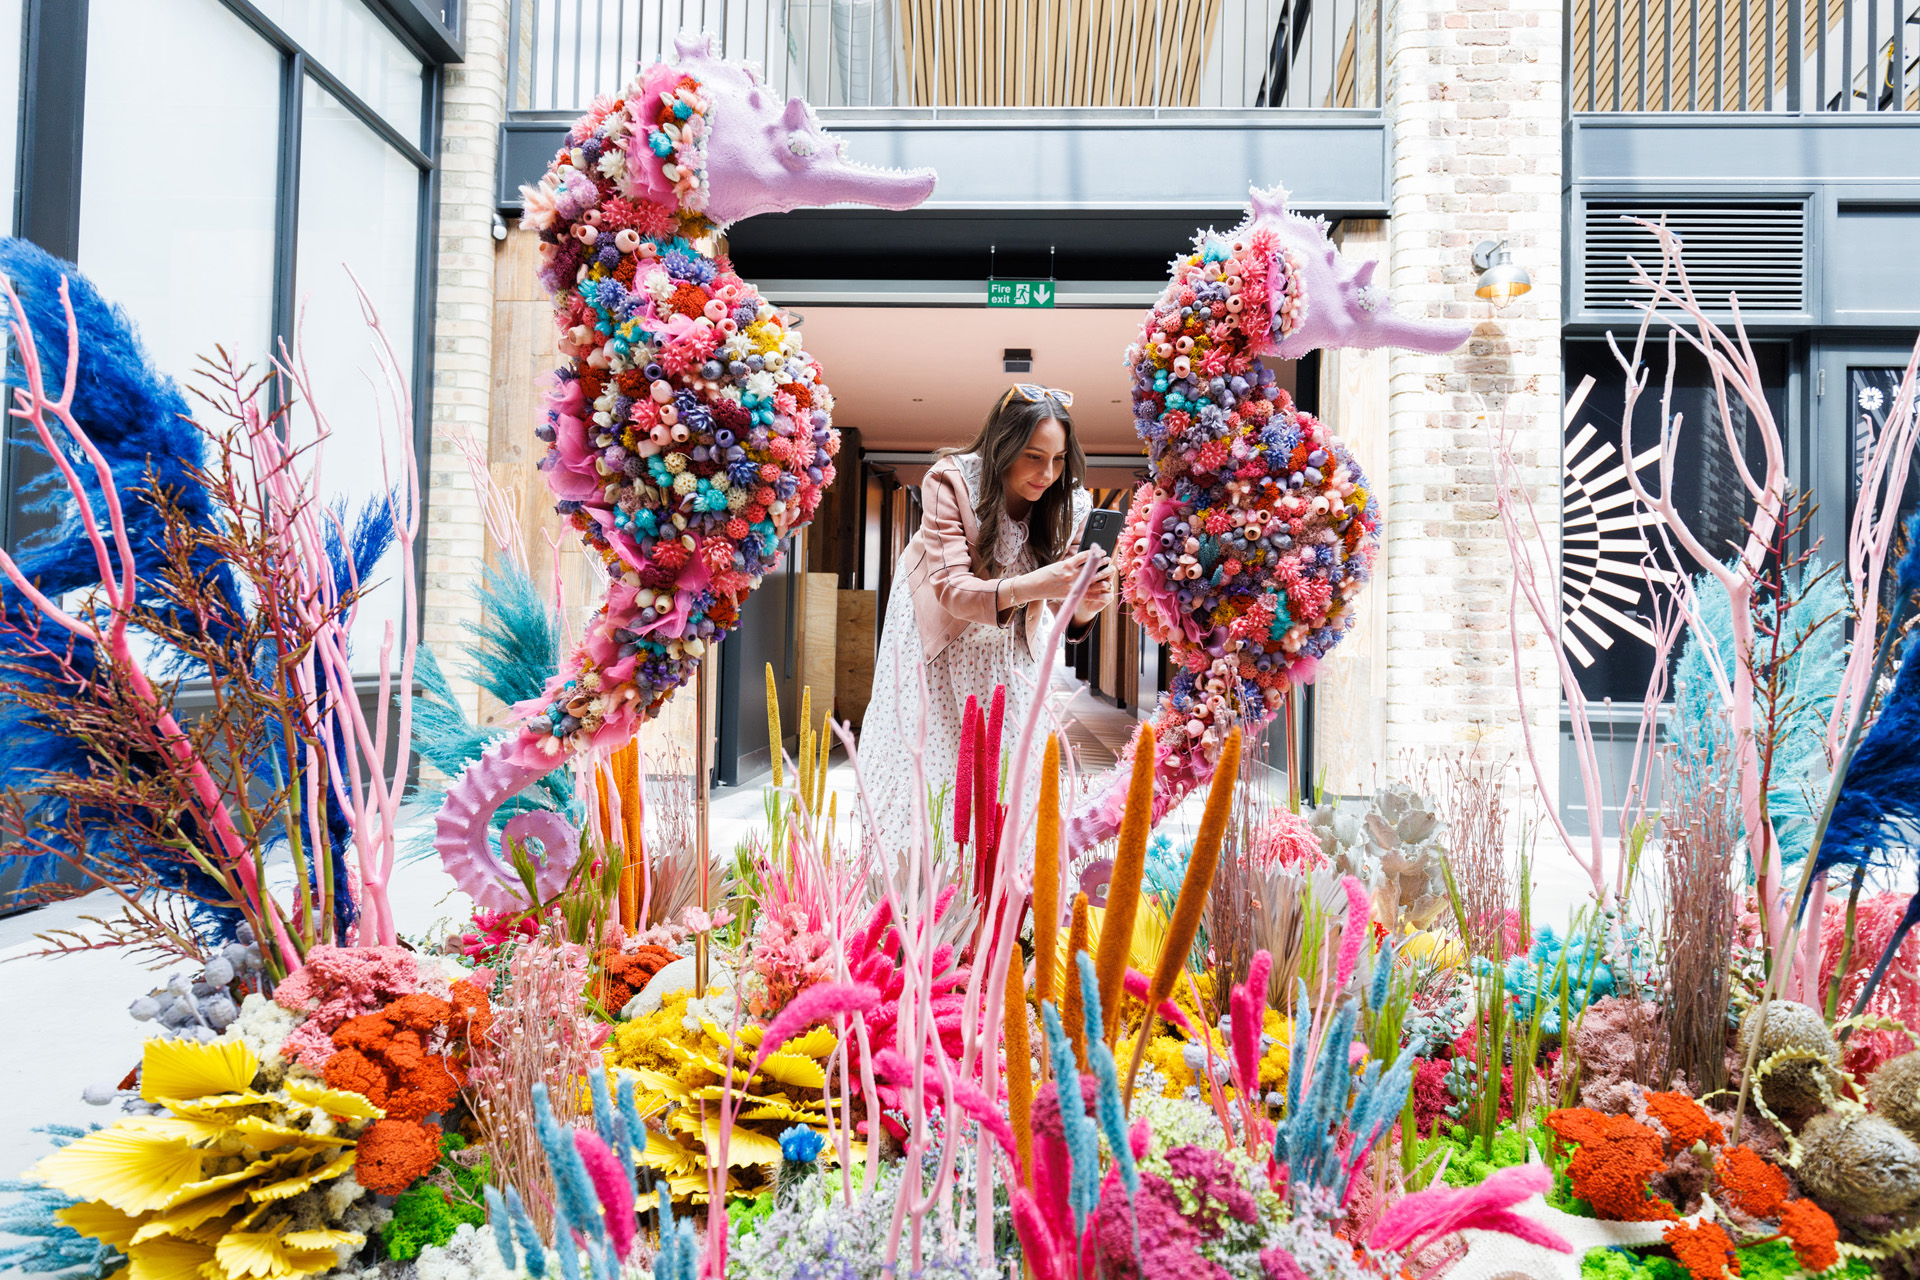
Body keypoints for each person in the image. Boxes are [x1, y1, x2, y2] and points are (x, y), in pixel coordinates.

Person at [858, 384, 1115, 860]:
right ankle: (926, 905)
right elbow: (951, 588)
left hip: (1008, 653)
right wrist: (1040, 583)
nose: (1047, 474)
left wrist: (1087, 601)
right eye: (1034, 457)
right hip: (937, 646)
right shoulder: (951, 480)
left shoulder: (1069, 502)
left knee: (1012, 776)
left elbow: (1064, 609)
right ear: (1004, 446)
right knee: (933, 781)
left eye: (1059, 460)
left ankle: (1003, 908)